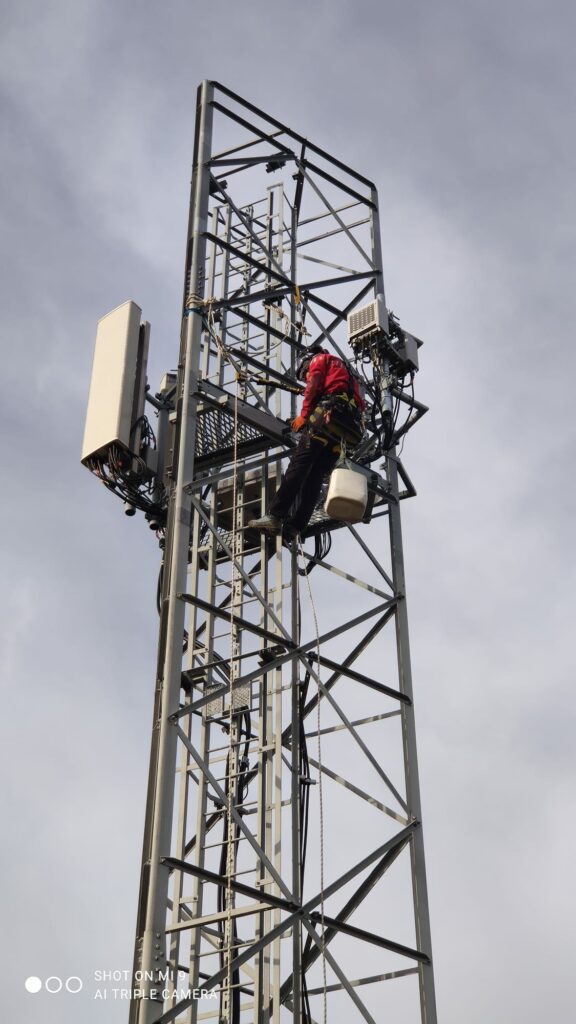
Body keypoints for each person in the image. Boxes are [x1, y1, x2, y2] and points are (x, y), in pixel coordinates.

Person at [248, 344, 365, 538]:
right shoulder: (347, 373)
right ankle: (296, 526)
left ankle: (275, 516)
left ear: (306, 361)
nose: (305, 378)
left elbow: (313, 385)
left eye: (304, 374)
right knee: (315, 477)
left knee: (299, 466)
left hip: (326, 419)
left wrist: (304, 416)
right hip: (344, 430)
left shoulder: (320, 360)